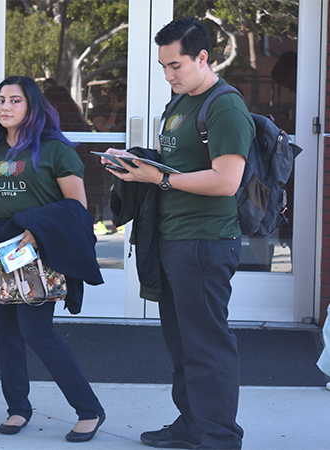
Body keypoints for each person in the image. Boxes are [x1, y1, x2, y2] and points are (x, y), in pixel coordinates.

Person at [101, 17, 255, 449]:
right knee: (183, 345)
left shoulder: (224, 106)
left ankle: (220, 438)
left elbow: (227, 180)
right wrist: (132, 163)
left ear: (203, 57)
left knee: (206, 346)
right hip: (171, 239)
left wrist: (160, 180)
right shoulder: (180, 103)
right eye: (163, 67)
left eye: (176, 66)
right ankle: (192, 427)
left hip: (204, 242)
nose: (168, 75)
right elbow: (177, 162)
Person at [0, 76, 105, 442]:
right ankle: (17, 408)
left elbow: (77, 206)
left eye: (15, 100)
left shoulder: (56, 149)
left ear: (33, 107)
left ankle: (89, 410)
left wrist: (38, 229)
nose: (5, 107)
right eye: (0, 101)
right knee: (6, 331)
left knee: (37, 332)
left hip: (33, 248)